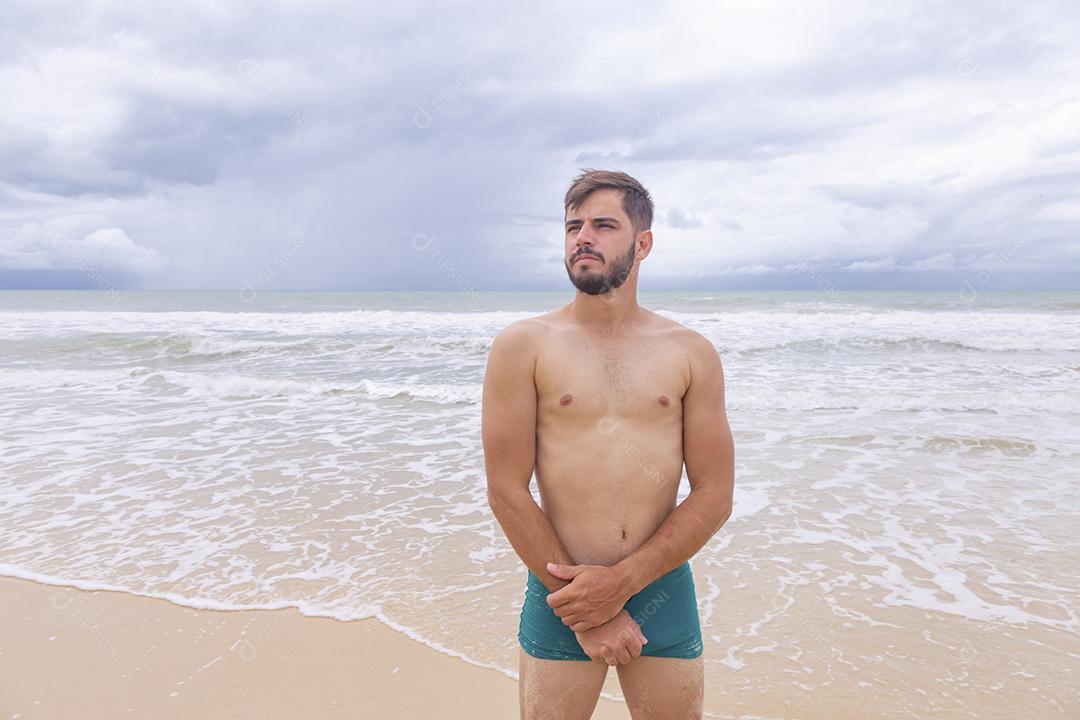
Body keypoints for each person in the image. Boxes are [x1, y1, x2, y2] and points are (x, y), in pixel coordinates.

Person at [482, 168, 735, 719]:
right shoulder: (523, 346)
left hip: (661, 588)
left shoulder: (690, 352)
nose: (583, 239)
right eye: (573, 226)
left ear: (642, 244)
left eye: (603, 225)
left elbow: (715, 494)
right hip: (560, 589)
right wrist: (591, 610)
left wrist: (621, 584)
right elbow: (505, 489)